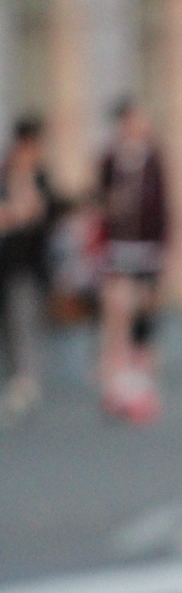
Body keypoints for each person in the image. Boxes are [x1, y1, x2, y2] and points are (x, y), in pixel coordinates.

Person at [97, 98, 168, 424]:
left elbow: (163, 205)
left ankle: (143, 386)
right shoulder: (110, 160)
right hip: (118, 247)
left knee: (145, 317)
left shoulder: (153, 159)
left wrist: (165, 245)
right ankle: (117, 386)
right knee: (118, 315)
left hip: (147, 248)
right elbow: (98, 201)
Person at [0, 117, 54, 427]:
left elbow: (39, 213)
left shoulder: (40, 177)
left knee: (25, 318)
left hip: (30, 264)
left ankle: (26, 380)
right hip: (6, 262)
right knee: (10, 323)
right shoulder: (5, 174)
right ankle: (17, 378)